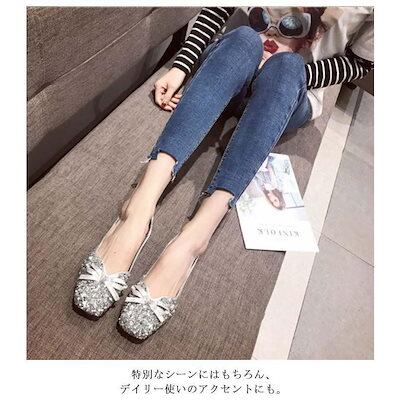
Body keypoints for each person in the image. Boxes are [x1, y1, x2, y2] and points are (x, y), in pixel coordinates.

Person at [73, 6, 374, 339]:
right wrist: (182, 65)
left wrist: (298, 73)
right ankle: (139, 206)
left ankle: (194, 238)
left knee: (288, 67)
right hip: (231, 66)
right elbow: (219, 9)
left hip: (289, 92)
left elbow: (362, 62)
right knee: (245, 38)